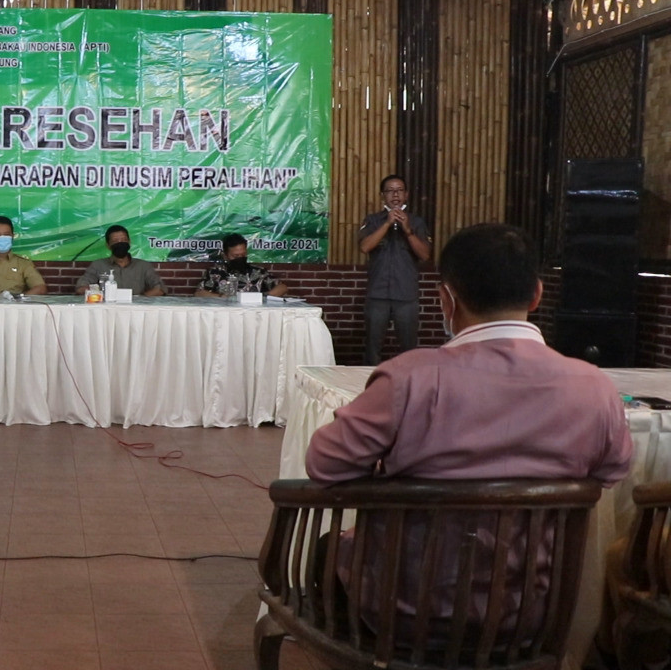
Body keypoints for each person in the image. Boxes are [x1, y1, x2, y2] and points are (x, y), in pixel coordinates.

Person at [305, 223, 632, 640]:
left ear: (446, 299)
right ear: (536, 294)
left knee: (328, 550)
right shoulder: (595, 387)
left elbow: (324, 464)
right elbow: (611, 471)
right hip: (528, 611)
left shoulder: (408, 379)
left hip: (405, 609)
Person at [360, 174, 432, 364]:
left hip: (406, 294)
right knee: (372, 348)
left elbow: (425, 255)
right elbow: (365, 247)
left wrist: (407, 230)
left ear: (406, 195)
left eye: (399, 190)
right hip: (378, 294)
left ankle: (409, 389)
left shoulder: (417, 222)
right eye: (390, 191)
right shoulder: (373, 220)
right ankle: (369, 389)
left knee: (409, 348)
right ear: (382, 195)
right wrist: (387, 224)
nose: (395, 195)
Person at [75, 225, 165, 296]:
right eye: (115, 241)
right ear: (108, 245)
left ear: (129, 242)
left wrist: (139, 300)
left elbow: (160, 289)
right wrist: (99, 295)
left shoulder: (143, 266)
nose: (120, 243)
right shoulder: (98, 265)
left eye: (123, 240)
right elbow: (81, 288)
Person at [194, 233, 287, 297]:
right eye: (235, 256)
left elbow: (282, 287)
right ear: (225, 255)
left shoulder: (258, 272)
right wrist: (221, 297)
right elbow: (199, 293)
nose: (240, 258)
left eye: (243, 255)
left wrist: (263, 297)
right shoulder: (215, 272)